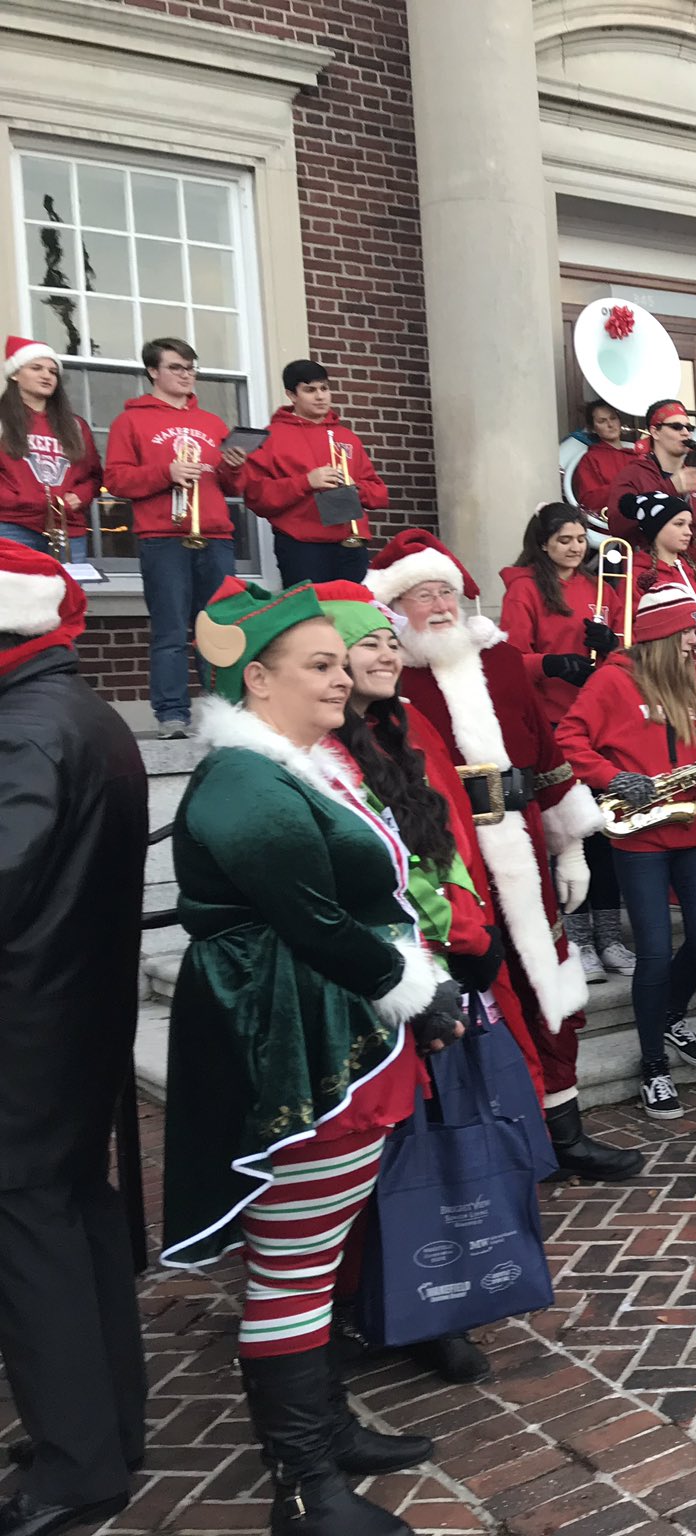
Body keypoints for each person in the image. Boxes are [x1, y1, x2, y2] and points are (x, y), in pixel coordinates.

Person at [162, 577, 466, 1536]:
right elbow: (317, 920)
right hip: (297, 1045)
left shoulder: (302, 762)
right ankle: (304, 1486)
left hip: (335, 1031)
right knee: (293, 1265)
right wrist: (419, 986)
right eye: (320, 665)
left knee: (317, 1250)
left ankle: (327, 1432)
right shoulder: (249, 781)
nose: (343, 679)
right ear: (258, 679)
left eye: (343, 662)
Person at [364, 530, 645, 1181]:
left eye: (446, 590)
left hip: (521, 862)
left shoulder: (500, 664)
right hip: (445, 872)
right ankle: (497, 1137)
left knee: (550, 993)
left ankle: (565, 1132)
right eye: (419, 594)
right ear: (392, 608)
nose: (437, 604)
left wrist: (571, 845)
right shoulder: (384, 681)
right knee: (479, 1009)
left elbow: (548, 762)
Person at [323, 578, 536, 1389]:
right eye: (364, 640)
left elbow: (439, 840)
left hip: (446, 957)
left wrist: (473, 927)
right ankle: (357, 1300)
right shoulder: (328, 746)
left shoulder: (402, 726)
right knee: (376, 1146)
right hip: (384, 970)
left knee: (439, 1134)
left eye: (387, 640)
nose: (383, 652)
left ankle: (433, 1307)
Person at [0, 549, 148, 1536]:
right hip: (80, 1015)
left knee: (29, 1234)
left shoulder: (24, 733)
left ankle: (76, 1461)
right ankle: (105, 1424)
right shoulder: (89, 717)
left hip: (24, 1025)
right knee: (78, 1216)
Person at [557, 586, 696, 1121]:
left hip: (693, 826)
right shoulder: (612, 680)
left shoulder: (690, 680)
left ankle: (670, 1012)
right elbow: (570, 735)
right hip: (640, 835)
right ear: (661, 637)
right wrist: (611, 776)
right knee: (654, 950)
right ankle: (654, 1066)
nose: (694, 644)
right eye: (686, 635)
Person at [498, 503, 634, 984]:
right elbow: (509, 659)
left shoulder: (599, 586)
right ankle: (576, 939)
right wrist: (550, 664)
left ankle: (610, 936)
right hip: (552, 725)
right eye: (565, 540)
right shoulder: (524, 589)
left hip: (598, 721)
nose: (576, 548)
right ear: (543, 543)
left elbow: (622, 651)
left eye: (580, 539)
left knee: (604, 833)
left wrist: (610, 641)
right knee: (568, 835)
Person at [102, 337, 248, 739]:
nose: (187, 375)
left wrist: (235, 466)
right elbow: (115, 479)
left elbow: (233, 483)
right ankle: (172, 715)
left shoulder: (212, 423)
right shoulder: (130, 421)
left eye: (191, 368)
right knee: (169, 630)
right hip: (164, 536)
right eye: (177, 368)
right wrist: (165, 473)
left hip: (215, 535)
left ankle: (222, 713)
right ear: (153, 371)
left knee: (218, 629)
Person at [241, 360, 391, 587]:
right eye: (310, 390)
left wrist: (355, 489)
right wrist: (306, 482)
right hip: (302, 546)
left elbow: (379, 494)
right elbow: (256, 496)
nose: (320, 396)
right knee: (311, 617)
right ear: (291, 395)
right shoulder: (271, 437)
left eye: (324, 388)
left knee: (354, 615)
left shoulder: (347, 437)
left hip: (351, 543)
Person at [0, 335, 101, 561]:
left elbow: (94, 476)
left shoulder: (76, 426)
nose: (46, 375)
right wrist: (19, 499)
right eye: (36, 368)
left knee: (67, 594)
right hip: (12, 526)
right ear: (15, 373)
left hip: (68, 529)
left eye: (52, 371)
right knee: (15, 596)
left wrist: (80, 496)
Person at [623, 489, 696, 620]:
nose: (688, 532)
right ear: (656, 528)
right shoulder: (636, 578)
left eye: (689, 525)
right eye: (679, 524)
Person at [605, 399, 696, 524]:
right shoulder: (632, 474)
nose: (686, 433)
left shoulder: (693, 476)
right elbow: (618, 525)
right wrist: (670, 487)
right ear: (655, 432)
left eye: (689, 427)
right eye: (676, 427)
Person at [568, 400, 640, 514]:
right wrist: (625, 487)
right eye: (602, 421)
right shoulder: (589, 459)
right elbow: (589, 501)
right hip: (608, 525)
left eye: (613, 418)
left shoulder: (638, 457)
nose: (610, 425)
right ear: (592, 428)